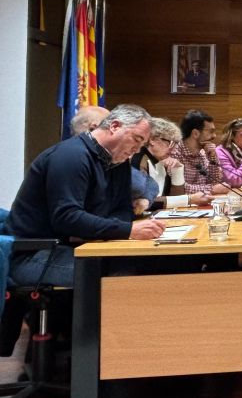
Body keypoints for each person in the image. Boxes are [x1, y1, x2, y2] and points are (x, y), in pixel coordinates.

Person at [6, 104, 165, 287]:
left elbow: (122, 209)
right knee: (119, 274)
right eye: (137, 139)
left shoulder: (118, 162)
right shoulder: (70, 156)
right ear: (115, 126)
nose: (137, 150)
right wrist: (128, 230)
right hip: (34, 253)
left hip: (80, 245)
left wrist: (117, 230)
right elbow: (67, 218)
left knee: (150, 262)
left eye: (142, 144)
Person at [132, 117, 211, 210]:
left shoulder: (161, 161)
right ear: (152, 139)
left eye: (175, 145)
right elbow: (145, 202)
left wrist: (177, 170)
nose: (173, 150)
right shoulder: (138, 160)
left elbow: (175, 196)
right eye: (170, 143)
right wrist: (189, 199)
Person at [169, 109, 228, 195]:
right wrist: (211, 189)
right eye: (211, 131)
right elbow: (179, 189)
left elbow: (215, 182)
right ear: (195, 133)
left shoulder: (203, 152)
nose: (214, 136)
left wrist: (213, 157)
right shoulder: (175, 152)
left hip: (203, 201)